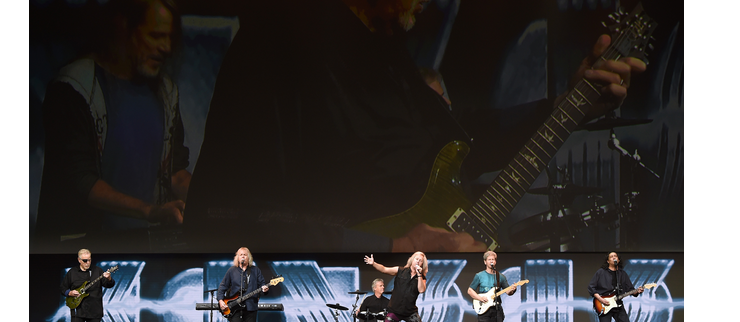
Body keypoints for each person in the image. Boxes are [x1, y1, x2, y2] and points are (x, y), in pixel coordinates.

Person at [184, 0, 645, 254]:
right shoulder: (274, 46)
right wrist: (388, 245)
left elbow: (452, 137)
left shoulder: (383, 47)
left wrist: (566, 107)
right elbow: (223, 214)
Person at [36, 0, 190, 252]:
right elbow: (80, 181)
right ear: (123, 27)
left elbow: (174, 172)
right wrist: (150, 211)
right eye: (155, 36)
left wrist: (218, 205)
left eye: (169, 38)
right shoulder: (76, 86)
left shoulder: (166, 92)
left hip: (146, 256)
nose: (166, 47)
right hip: (82, 255)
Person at [60, 249, 115, 322]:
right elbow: (63, 288)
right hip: (78, 309)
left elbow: (109, 285)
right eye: (85, 260)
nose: (87, 262)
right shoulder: (72, 272)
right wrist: (69, 293)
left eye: (89, 260)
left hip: (94, 309)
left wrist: (109, 278)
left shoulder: (97, 271)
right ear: (79, 260)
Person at [588, 251, 644, 322]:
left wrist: (637, 291)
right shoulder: (601, 272)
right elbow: (591, 287)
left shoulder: (622, 274)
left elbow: (631, 289)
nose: (614, 257)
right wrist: (601, 300)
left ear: (618, 260)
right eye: (611, 256)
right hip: (604, 305)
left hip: (618, 305)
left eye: (616, 256)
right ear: (608, 261)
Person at [364, 252, 430, 322]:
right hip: (394, 310)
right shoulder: (400, 270)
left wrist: (419, 274)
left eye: (421, 261)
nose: (418, 262)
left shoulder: (421, 278)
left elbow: (421, 290)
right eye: (416, 259)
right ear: (412, 260)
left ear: (422, 264)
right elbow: (384, 269)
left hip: (410, 312)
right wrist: (374, 263)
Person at [217, 247, 270, 322]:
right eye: (240, 254)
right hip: (235, 308)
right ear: (237, 257)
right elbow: (222, 287)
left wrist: (265, 289)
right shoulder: (232, 271)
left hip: (251, 307)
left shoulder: (255, 271)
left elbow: (262, 285)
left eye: (245, 255)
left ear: (248, 257)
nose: (243, 256)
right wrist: (221, 301)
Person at [467, 251, 516, 322]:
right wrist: (479, 298)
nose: (491, 261)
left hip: (497, 310)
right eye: (489, 259)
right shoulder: (479, 276)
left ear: (495, 262)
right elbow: (470, 290)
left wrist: (513, 290)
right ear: (485, 262)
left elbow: (508, 292)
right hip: (484, 311)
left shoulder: (500, 277)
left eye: (493, 259)